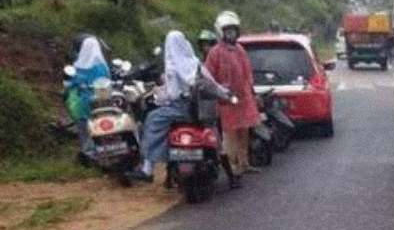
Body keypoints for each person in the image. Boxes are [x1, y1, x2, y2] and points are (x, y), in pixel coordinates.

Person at [128, 31, 238, 186]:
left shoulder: (172, 67)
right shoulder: (196, 64)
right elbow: (212, 84)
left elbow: (172, 94)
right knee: (217, 139)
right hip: (202, 112)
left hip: (180, 109)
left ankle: (148, 167)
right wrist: (225, 93)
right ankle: (231, 178)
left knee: (152, 120)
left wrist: (160, 97)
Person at [204, 10, 261, 176]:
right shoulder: (215, 52)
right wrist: (220, 91)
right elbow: (209, 76)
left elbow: (247, 72)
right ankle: (233, 166)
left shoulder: (240, 50)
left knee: (244, 132)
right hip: (226, 100)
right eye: (227, 31)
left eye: (233, 30)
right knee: (230, 135)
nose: (231, 34)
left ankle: (244, 163)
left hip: (243, 99)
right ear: (221, 32)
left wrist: (251, 92)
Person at [64, 34, 111, 158]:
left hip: (83, 103)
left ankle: (88, 151)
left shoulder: (79, 67)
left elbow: (70, 84)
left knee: (83, 127)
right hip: (102, 102)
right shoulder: (103, 66)